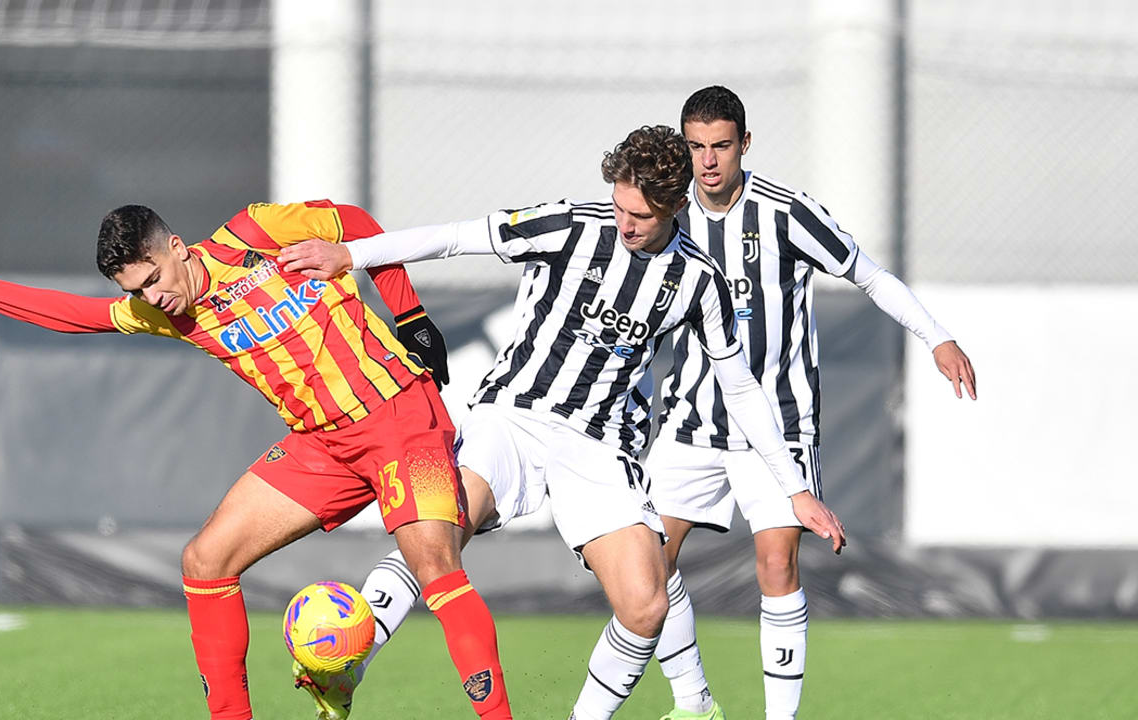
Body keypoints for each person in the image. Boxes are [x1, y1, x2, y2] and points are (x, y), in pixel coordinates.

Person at [280, 125, 846, 720]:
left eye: (642, 216)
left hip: (601, 446)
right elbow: (456, 238)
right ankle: (347, 671)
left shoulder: (699, 280)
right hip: (513, 417)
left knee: (647, 605)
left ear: (678, 206)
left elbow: (739, 386)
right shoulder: (572, 224)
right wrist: (352, 255)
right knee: (436, 531)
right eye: (620, 205)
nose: (625, 224)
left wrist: (796, 489)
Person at [0, 200, 512, 720]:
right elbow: (77, 316)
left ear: (176, 247)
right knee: (204, 561)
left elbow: (353, 223)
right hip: (321, 447)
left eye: (153, 278)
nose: (152, 298)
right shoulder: (166, 312)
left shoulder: (256, 231)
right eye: (136, 292)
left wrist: (408, 314)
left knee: (435, 566)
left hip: (403, 419)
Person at [640, 85, 978, 720]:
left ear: (745, 143)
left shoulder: (788, 213)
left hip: (781, 421)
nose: (708, 161)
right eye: (696, 147)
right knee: (646, 568)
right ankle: (695, 704)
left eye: (720, 146)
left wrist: (937, 337)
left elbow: (870, 275)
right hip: (690, 420)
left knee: (776, 562)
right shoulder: (667, 215)